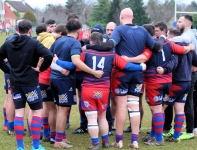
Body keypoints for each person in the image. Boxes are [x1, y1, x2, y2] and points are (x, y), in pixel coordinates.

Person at [84, 8, 165, 149]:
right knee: (134, 106)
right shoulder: (143, 31)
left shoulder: (119, 30)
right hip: (137, 74)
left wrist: (89, 46)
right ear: (132, 17)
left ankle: (119, 141)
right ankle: (134, 141)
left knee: (121, 106)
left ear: (121, 16)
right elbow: (156, 47)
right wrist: (163, 37)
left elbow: (109, 45)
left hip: (121, 72)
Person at [50, 19, 103, 149]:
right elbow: (76, 62)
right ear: (79, 30)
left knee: (61, 109)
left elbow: (49, 57)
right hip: (64, 81)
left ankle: (61, 136)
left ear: (66, 29)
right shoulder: (74, 43)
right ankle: (58, 141)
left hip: (54, 78)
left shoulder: (58, 41)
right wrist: (93, 72)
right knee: (63, 110)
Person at [0, 19, 53, 150]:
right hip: (30, 83)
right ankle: (35, 146)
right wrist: (41, 69)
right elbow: (49, 55)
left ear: (17, 29)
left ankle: (20, 147)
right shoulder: (34, 43)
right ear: (30, 30)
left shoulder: (9, 43)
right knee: (36, 112)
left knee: (19, 113)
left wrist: (8, 70)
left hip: (15, 83)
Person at [163, 27, 197, 142]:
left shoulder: (172, 46)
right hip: (187, 81)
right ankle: (176, 136)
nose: (167, 38)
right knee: (180, 109)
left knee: (161, 107)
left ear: (173, 36)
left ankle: (155, 134)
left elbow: (172, 64)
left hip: (176, 82)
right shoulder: (189, 47)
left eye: (168, 35)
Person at [172, 15, 197, 140]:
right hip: (194, 72)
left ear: (187, 24)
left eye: (179, 22)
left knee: (188, 102)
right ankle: (192, 128)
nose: (177, 24)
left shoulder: (188, 35)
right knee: (191, 101)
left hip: (189, 74)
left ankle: (189, 131)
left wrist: (166, 39)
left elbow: (181, 38)